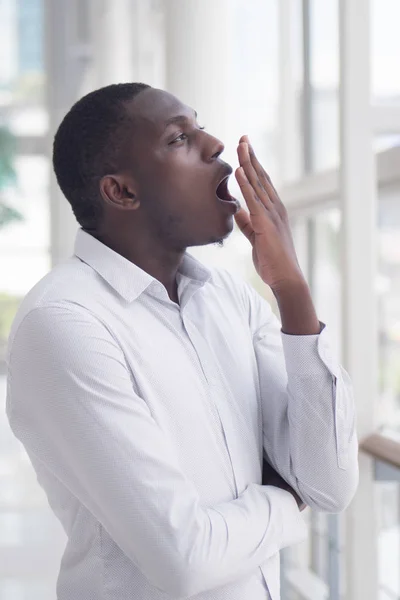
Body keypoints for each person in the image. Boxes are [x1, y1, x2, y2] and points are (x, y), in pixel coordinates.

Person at [6, 83, 358, 600]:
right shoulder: (65, 323)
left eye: (199, 126)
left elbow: (329, 483)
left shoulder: (230, 300)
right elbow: (185, 559)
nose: (214, 144)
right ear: (121, 191)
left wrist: (292, 292)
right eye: (179, 138)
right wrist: (287, 500)